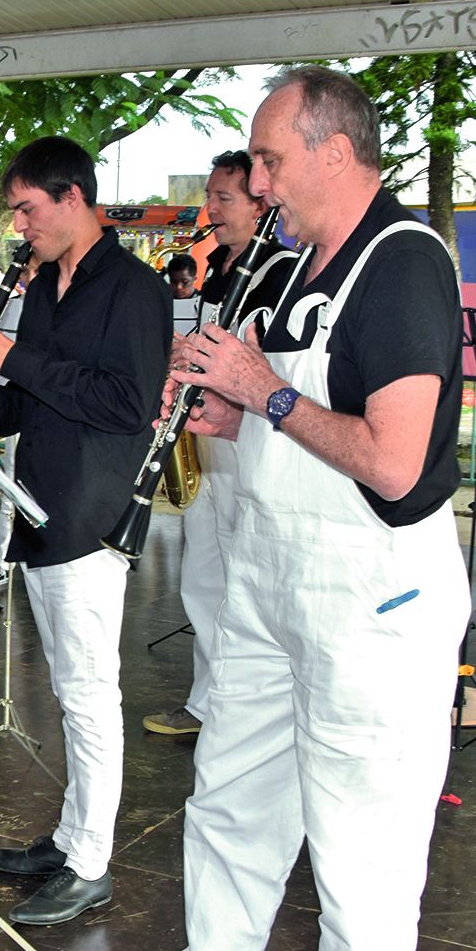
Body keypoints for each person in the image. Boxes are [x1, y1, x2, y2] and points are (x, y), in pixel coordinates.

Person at [99, 67, 470, 951]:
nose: (255, 182)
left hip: (371, 591)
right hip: (272, 572)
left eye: (268, 159)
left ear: (333, 152)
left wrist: (261, 391)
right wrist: (225, 411)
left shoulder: (400, 266)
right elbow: (303, 420)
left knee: (359, 821)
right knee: (233, 783)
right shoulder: (302, 264)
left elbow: (392, 460)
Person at [0, 135, 170, 926]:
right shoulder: (44, 286)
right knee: (67, 688)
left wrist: (16, 361)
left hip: (89, 508)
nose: (18, 224)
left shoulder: (134, 289)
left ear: (72, 197)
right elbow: (34, 390)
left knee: (88, 694)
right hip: (39, 495)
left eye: (26, 207)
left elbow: (126, 404)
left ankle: (90, 862)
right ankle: (70, 835)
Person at [142, 149, 281, 740]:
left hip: (250, 437)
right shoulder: (219, 267)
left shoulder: (277, 271)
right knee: (203, 573)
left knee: (246, 578)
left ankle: (243, 706)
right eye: (211, 198)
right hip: (208, 436)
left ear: (259, 204)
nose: (210, 210)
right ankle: (207, 700)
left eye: (224, 199)